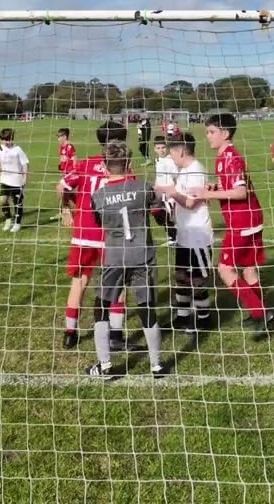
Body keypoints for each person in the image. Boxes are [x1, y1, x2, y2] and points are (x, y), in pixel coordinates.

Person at [190, 113, 274, 338]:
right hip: (252, 218)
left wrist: (206, 194)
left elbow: (240, 192)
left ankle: (262, 312)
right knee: (249, 269)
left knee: (224, 269)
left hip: (242, 221)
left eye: (211, 132)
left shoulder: (230, 158)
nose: (208, 137)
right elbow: (234, 185)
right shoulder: (225, 157)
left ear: (225, 133)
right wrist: (215, 187)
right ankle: (262, 316)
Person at [87, 140, 167, 379]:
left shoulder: (97, 196)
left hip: (115, 257)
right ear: (129, 163)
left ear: (104, 165)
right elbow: (159, 212)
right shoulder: (144, 187)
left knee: (101, 306)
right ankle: (157, 365)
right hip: (142, 255)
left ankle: (104, 364)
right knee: (147, 307)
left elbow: (99, 222)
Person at [57, 121, 134, 351]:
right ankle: (116, 335)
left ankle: (70, 332)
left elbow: (61, 186)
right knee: (118, 284)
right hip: (110, 235)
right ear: (118, 142)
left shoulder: (85, 164)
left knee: (79, 281)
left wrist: (66, 209)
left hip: (83, 234)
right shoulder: (123, 167)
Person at [156, 133, 213, 333]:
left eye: (171, 152)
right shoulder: (184, 171)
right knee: (181, 276)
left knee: (197, 279)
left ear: (181, 150)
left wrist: (171, 192)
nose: (170, 156)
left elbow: (190, 202)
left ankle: (204, 320)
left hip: (198, 236)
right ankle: (182, 318)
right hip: (184, 235)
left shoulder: (196, 171)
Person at [0, 128, 29, 233]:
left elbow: (25, 164)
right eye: (5, 139)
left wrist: (25, 177)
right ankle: (8, 219)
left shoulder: (18, 149)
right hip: (5, 179)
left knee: (17, 202)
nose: (7, 142)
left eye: (9, 139)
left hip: (17, 180)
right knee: (2, 201)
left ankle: (17, 223)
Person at [152, 136, 178, 245]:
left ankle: (174, 237)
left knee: (168, 215)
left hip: (169, 193)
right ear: (154, 149)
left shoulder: (170, 161)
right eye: (158, 148)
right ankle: (172, 235)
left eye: (163, 147)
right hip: (160, 193)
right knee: (159, 213)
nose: (161, 150)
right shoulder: (158, 160)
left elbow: (176, 176)